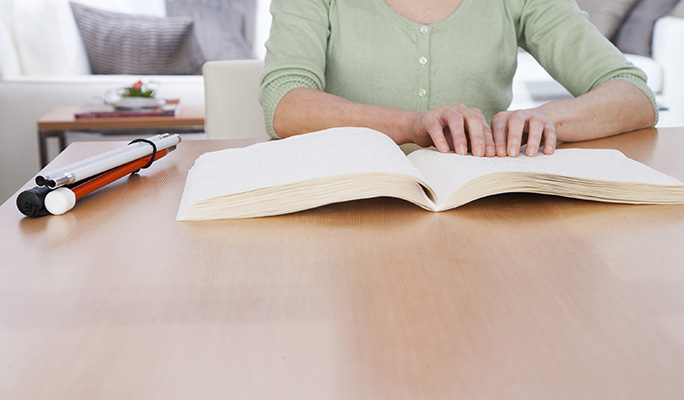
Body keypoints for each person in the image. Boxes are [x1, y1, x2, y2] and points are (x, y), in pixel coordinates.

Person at [259, 0, 657, 157]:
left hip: (483, 207)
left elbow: (631, 93)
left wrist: (546, 119)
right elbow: (285, 102)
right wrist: (408, 124)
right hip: (346, 204)